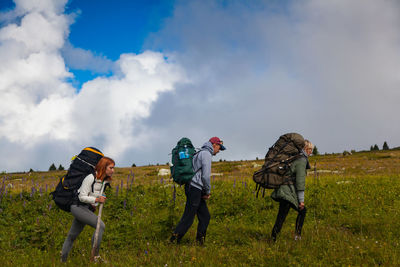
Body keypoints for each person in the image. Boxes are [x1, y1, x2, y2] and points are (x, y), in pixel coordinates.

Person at [170, 137, 226, 244]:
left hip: (195, 188)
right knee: (188, 217)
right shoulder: (206, 154)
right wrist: (208, 191)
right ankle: (173, 240)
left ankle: (200, 242)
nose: (219, 151)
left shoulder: (200, 152)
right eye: (219, 147)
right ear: (214, 144)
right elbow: (205, 176)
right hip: (194, 188)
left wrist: (203, 191)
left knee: (205, 216)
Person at [61, 157, 115, 262]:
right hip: (77, 206)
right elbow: (82, 196)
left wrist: (97, 199)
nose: (113, 170)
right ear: (104, 167)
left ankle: (62, 261)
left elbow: (93, 198)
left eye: (113, 168)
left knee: (72, 235)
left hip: (86, 208)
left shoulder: (103, 182)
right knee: (101, 226)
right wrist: (97, 199)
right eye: (111, 168)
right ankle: (95, 257)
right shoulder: (90, 177)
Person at [270, 140, 313, 242]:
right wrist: (301, 200)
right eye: (310, 149)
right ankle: (295, 237)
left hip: (284, 190)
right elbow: (300, 181)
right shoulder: (301, 160)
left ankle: (273, 238)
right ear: (305, 149)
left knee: (282, 215)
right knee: (299, 211)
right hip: (287, 191)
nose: (311, 151)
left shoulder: (296, 157)